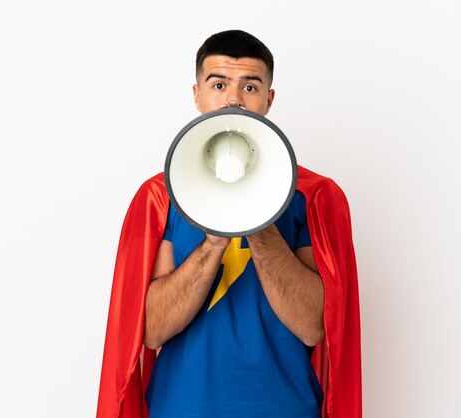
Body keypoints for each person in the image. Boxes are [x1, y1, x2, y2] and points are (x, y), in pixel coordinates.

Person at [97, 30, 361, 418]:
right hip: (182, 407)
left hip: (284, 407)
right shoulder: (160, 196)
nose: (233, 98)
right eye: (218, 84)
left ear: (269, 100)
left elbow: (312, 327)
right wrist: (214, 239)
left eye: (250, 86)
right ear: (197, 95)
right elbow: (151, 331)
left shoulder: (314, 196)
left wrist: (258, 213)